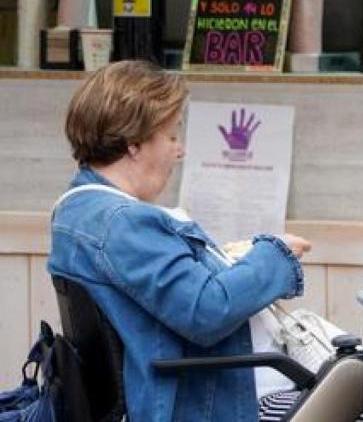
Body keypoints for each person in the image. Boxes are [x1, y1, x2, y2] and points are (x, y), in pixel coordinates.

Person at [48, 61, 313, 422]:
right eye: (171, 136)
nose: (180, 150)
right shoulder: (124, 224)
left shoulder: (76, 209)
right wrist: (276, 253)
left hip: (206, 391)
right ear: (134, 145)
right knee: (357, 387)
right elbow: (207, 310)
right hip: (219, 404)